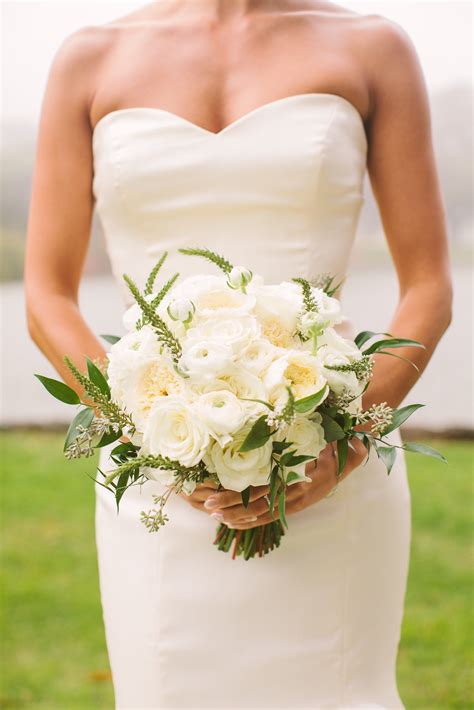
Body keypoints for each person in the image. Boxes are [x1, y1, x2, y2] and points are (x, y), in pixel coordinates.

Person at [24, 1, 452, 707]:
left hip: (335, 454)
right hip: (156, 476)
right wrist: (153, 436)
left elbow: (429, 289)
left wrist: (340, 451)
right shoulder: (89, 59)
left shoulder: (373, 48)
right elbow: (45, 296)